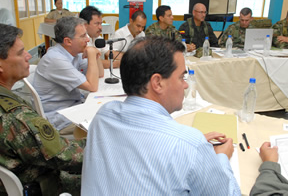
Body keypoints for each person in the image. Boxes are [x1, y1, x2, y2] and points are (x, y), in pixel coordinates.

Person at [81, 36, 240, 195]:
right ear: (157, 83)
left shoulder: (103, 115)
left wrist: (190, 147)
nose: (185, 85)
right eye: (181, 77)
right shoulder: (189, 143)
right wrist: (221, 158)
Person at [0, 22, 85, 196]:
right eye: (20, 53)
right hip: (44, 185)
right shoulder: (16, 119)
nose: (28, 56)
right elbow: (74, 158)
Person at [33, 17, 104, 134]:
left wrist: (95, 54)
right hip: (58, 117)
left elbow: (100, 74)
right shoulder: (55, 59)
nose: (87, 40)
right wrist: (91, 54)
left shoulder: (74, 53)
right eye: (82, 36)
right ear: (68, 41)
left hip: (73, 105)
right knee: (105, 121)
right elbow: (92, 86)